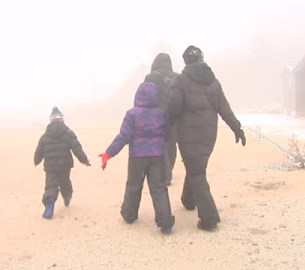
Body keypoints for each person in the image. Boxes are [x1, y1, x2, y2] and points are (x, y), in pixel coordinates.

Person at [167, 45, 246, 231]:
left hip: (188, 134)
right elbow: (224, 108)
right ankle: (188, 200)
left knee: (196, 172)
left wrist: (166, 127)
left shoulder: (180, 81)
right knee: (196, 167)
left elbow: (173, 108)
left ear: (186, 60)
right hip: (209, 135)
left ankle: (210, 219)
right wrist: (237, 128)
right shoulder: (213, 82)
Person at [99, 82, 175, 234]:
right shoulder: (161, 113)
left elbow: (123, 136)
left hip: (137, 157)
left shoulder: (132, 114)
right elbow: (167, 134)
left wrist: (109, 153)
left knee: (134, 185)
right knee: (159, 187)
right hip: (157, 155)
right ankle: (165, 219)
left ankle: (129, 214)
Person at [34, 107, 90, 219]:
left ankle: (49, 205)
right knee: (65, 182)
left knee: (51, 185)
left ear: (51, 120)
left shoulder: (45, 136)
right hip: (65, 165)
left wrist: (37, 161)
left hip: (50, 167)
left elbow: (39, 150)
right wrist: (84, 160)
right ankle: (67, 196)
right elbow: (76, 148)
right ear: (62, 120)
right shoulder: (68, 133)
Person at [144, 53, 178, 186]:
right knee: (171, 144)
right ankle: (170, 169)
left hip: (155, 116)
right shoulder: (176, 77)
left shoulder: (150, 77)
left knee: (159, 144)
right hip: (172, 115)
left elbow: (145, 95)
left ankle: (164, 172)